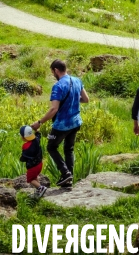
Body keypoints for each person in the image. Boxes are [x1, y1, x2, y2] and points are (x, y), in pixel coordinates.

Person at [31, 59, 89, 187]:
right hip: (75, 122)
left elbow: (54, 109)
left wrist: (39, 122)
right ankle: (68, 179)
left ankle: (65, 172)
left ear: (56, 70)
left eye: (53, 72)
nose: (53, 75)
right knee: (69, 149)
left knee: (51, 147)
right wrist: (73, 100)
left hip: (62, 125)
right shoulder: (77, 81)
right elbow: (86, 99)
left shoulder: (58, 86)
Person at [19, 125, 47, 199]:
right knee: (35, 177)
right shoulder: (36, 140)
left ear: (24, 137)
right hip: (39, 164)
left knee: (31, 179)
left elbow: (24, 157)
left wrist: (21, 158)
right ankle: (39, 192)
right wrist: (37, 130)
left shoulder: (26, 146)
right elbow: (38, 135)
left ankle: (41, 188)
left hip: (32, 167)